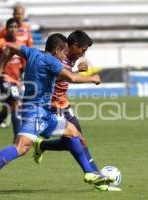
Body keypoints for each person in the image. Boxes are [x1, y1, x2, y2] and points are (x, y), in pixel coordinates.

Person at [0, 33, 115, 198]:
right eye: (63, 52)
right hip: (36, 112)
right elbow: (71, 77)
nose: (63, 56)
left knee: (73, 132)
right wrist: (93, 78)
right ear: (57, 50)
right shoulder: (52, 62)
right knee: (21, 147)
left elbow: (8, 48)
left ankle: (89, 173)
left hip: (44, 112)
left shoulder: (32, 52)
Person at [33, 30, 101, 174]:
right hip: (52, 106)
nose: (83, 54)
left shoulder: (72, 57)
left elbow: (66, 76)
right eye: (83, 50)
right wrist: (85, 75)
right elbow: (59, 77)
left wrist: (76, 69)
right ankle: (95, 176)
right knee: (79, 140)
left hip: (64, 104)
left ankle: (42, 145)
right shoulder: (58, 57)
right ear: (74, 46)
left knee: (73, 142)